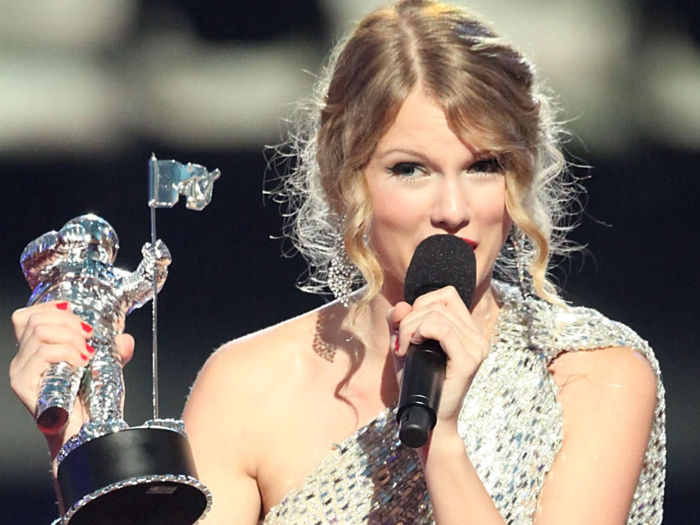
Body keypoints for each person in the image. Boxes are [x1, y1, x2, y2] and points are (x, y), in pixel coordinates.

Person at [10, 1, 665, 524]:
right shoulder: (250, 385)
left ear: (515, 181)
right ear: (345, 180)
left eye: (483, 166)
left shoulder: (594, 376)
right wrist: (75, 446)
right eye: (411, 169)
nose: (454, 207)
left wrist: (441, 441)